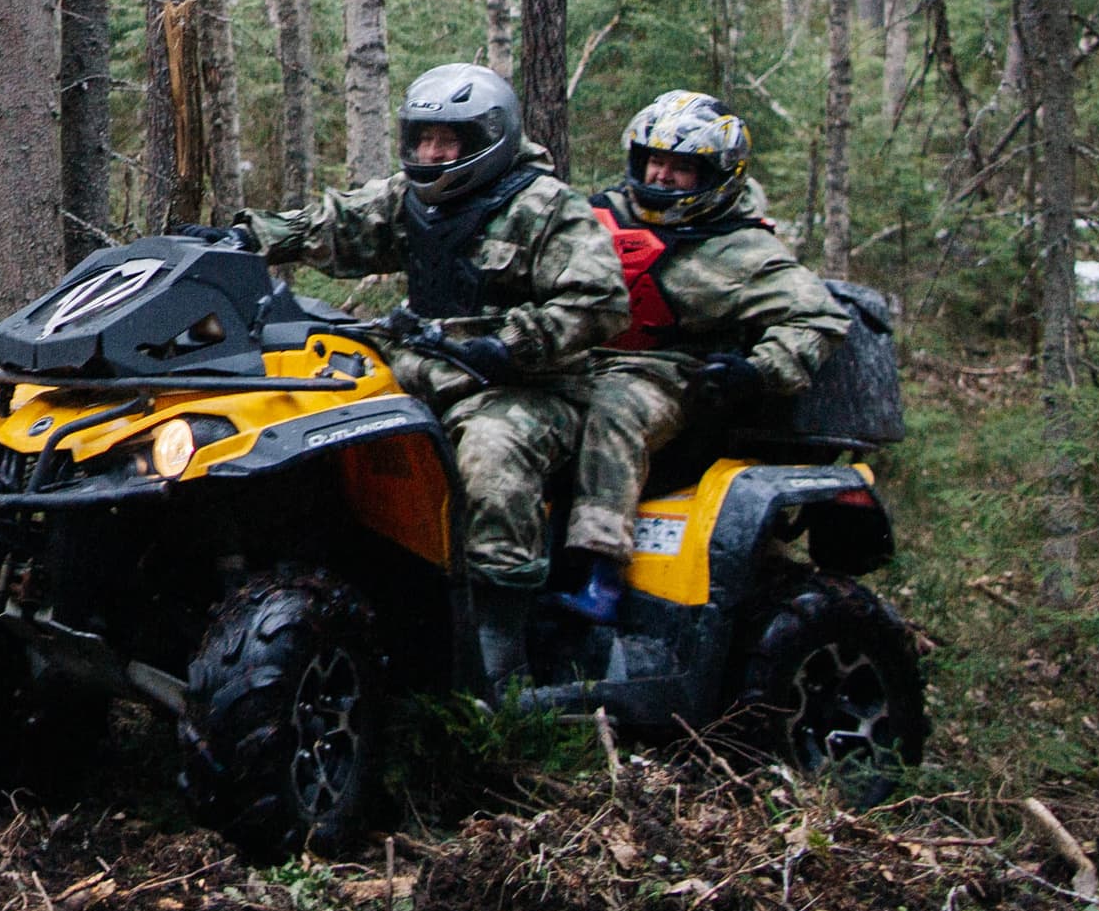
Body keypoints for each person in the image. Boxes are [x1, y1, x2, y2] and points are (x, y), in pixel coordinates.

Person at [235, 63, 626, 687]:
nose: (432, 152)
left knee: (492, 458)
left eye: (448, 141)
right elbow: (337, 223)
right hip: (424, 368)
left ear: (486, 140)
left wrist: (513, 344)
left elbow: (599, 302)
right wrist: (246, 236)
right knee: (312, 413)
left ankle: (502, 651)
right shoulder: (411, 198)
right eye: (422, 139)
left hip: (526, 389)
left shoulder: (546, 207)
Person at [553, 92, 856, 623]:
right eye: (655, 160)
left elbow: (820, 318)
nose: (663, 176)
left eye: (681, 167)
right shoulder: (596, 216)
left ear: (714, 174)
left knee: (613, 409)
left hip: (670, 376)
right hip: (576, 358)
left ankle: (599, 571)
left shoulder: (743, 251)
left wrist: (758, 371)